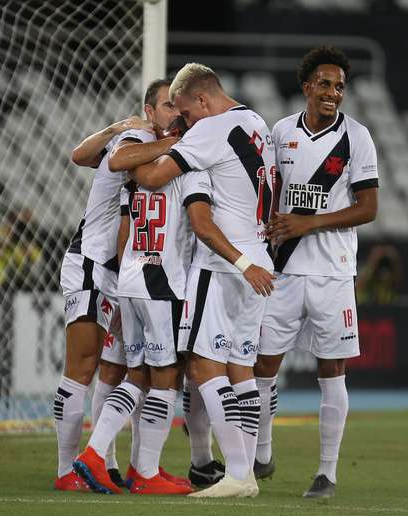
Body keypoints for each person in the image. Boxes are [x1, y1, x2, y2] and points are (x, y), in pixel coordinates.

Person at [109, 63, 277, 498]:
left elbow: (149, 177)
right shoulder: (255, 121)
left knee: (203, 366)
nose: (184, 122)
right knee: (240, 367)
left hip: (226, 263)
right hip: (258, 259)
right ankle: (248, 470)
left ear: (203, 100)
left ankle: (238, 474)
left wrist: (159, 144)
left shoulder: (209, 130)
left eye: (186, 112)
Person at [252, 46, 379, 498]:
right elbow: (272, 190)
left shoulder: (357, 137)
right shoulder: (281, 131)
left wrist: (310, 222)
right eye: (325, 84)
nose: (333, 93)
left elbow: (368, 208)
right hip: (282, 269)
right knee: (262, 365)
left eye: (340, 86)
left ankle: (326, 472)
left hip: (332, 272)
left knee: (332, 370)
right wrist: (267, 223)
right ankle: (261, 454)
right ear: (307, 87)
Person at [72, 80, 196, 496]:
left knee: (138, 374)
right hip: (161, 280)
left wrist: (125, 285)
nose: (178, 117)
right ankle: (137, 470)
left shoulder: (141, 170)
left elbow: (126, 226)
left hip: (133, 277)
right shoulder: (184, 159)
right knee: (164, 378)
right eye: (169, 108)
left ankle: (121, 463)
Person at [52, 93, 156, 491]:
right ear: (150, 112)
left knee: (116, 370)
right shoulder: (137, 142)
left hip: (122, 274)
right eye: (167, 107)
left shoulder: (153, 145)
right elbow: (86, 155)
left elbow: (83, 157)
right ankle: (66, 471)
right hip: (94, 266)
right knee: (81, 368)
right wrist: (117, 128)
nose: (175, 115)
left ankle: (107, 464)